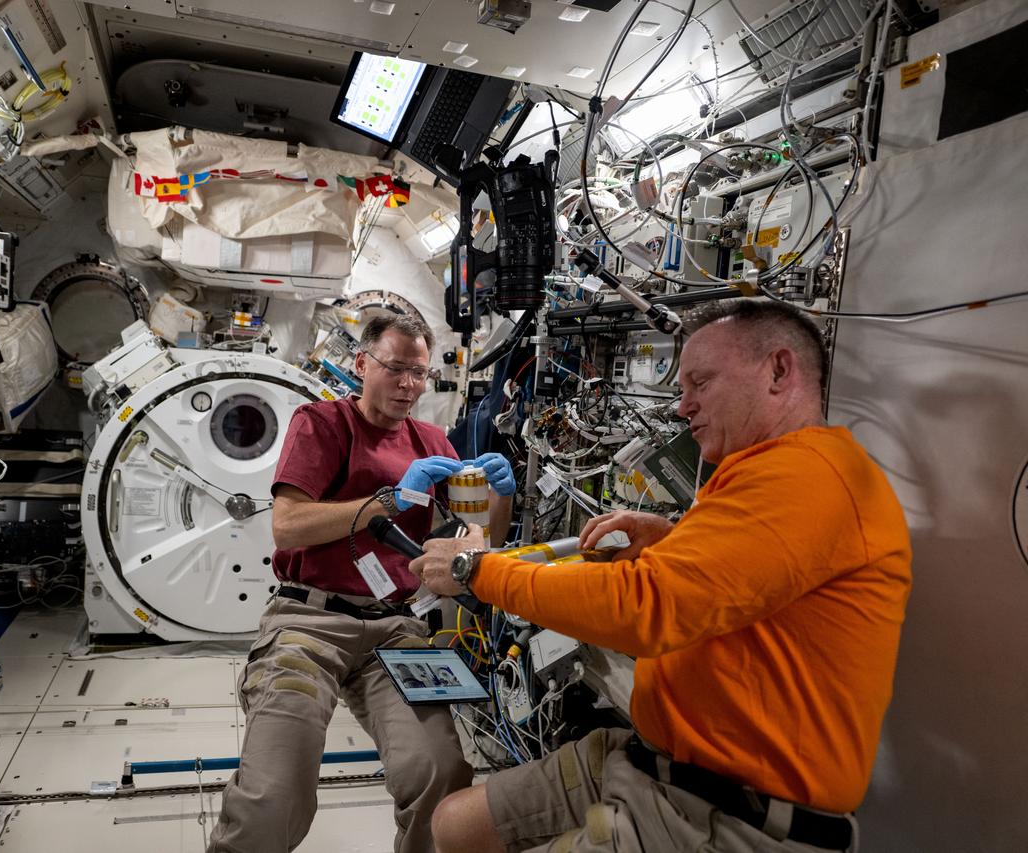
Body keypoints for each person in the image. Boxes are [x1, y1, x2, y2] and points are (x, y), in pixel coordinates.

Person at [408, 299, 912, 853]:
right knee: (453, 825)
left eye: (700, 383)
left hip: (722, 813)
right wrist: (672, 542)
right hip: (649, 759)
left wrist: (477, 571)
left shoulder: (810, 476)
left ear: (779, 370)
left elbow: (645, 608)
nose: (681, 407)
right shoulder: (758, 475)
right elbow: (739, 585)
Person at [209, 314, 515, 853]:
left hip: (394, 630)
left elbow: (475, 541)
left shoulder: (431, 440)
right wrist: (391, 500)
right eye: (396, 369)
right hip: (311, 622)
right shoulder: (321, 424)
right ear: (361, 364)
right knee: (274, 790)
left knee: (440, 773)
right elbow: (287, 525)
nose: (409, 385)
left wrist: (500, 495)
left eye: (419, 373)